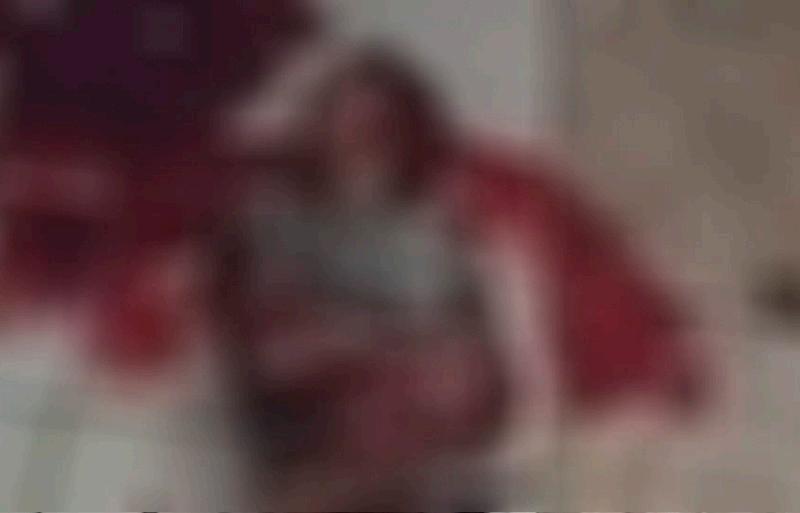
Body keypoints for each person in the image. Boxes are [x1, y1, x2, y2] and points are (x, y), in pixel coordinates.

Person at [213, 44, 705, 510]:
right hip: (323, 434)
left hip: (438, 423)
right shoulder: (269, 211)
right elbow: (271, 347)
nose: (356, 140)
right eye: (341, 122)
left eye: (375, 125)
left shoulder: (475, 206)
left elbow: (504, 335)